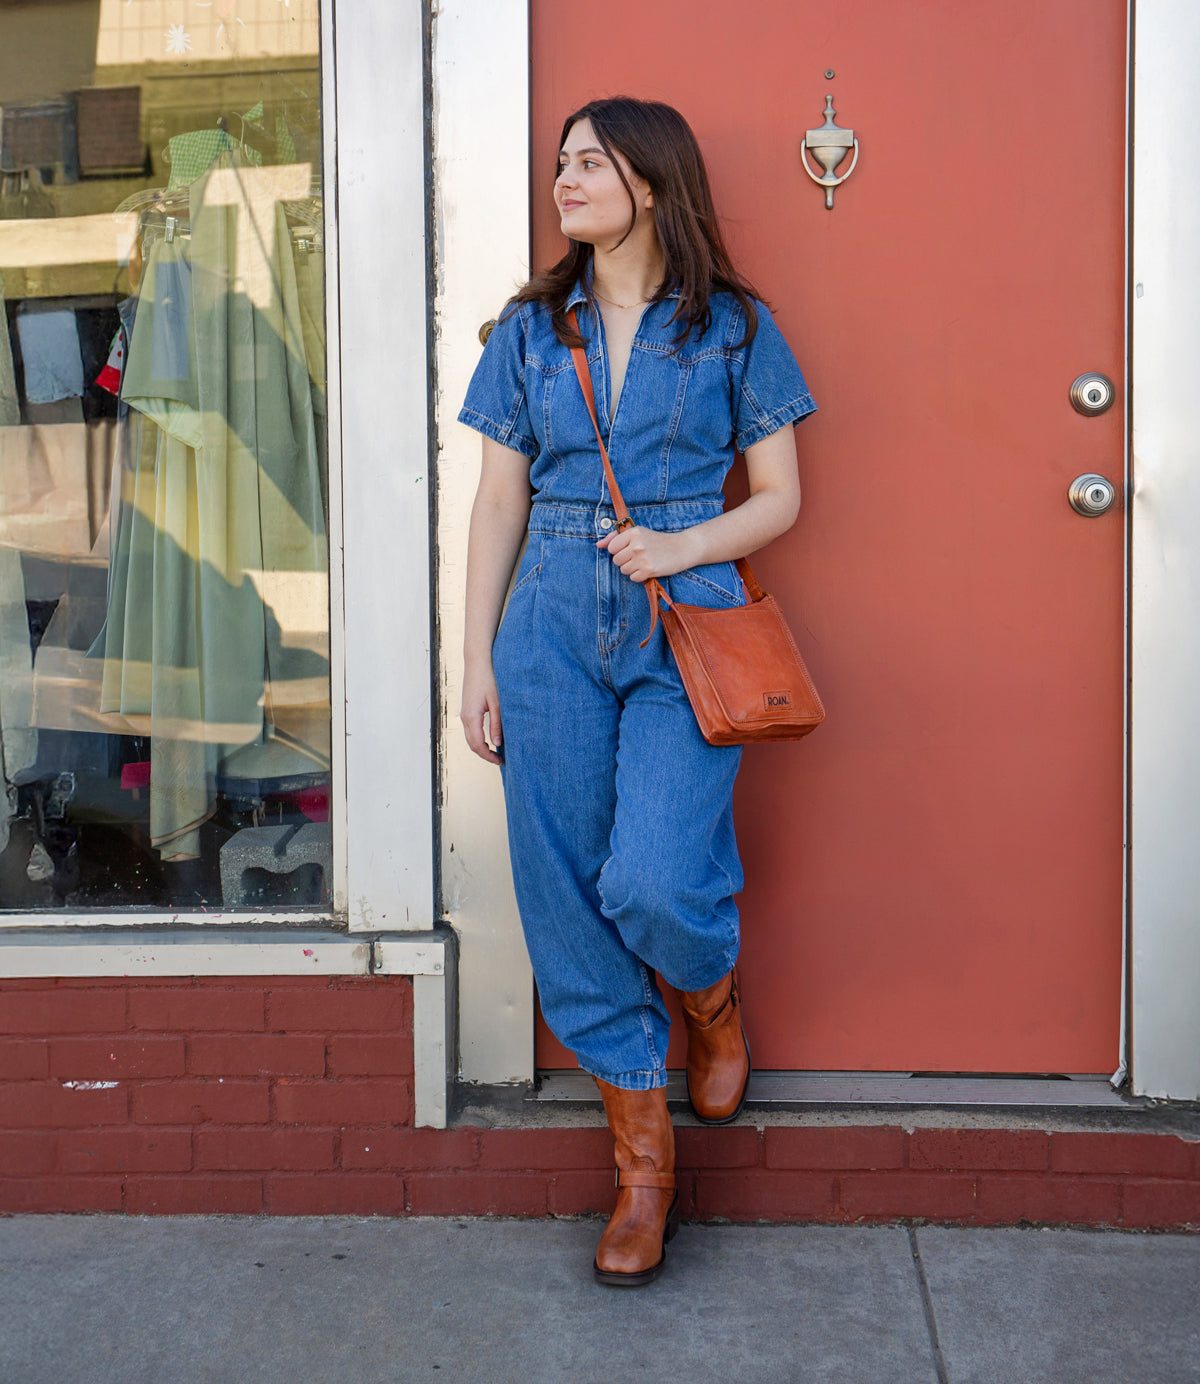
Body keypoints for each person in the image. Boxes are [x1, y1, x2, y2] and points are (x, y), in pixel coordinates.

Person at [458, 96, 816, 1286]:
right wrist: (473, 662)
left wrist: (683, 545)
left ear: (652, 185)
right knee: (562, 889)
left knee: (654, 877)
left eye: (589, 164)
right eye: (559, 163)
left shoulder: (734, 328)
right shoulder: (530, 327)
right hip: (550, 613)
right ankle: (642, 1162)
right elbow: (499, 501)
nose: (564, 180)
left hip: (685, 611)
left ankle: (706, 994)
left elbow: (780, 496)